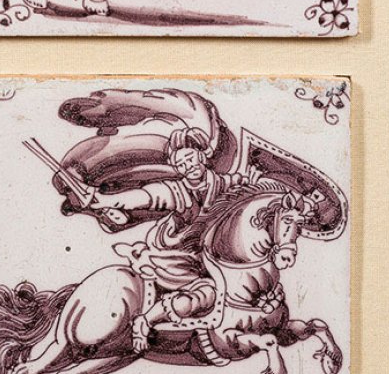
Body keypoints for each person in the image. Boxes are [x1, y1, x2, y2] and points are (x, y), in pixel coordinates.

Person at [81, 124, 257, 353]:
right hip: (180, 259)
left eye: (190, 159)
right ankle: (146, 320)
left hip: (216, 256)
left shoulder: (227, 184)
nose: (188, 167)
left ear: (203, 155)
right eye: (181, 164)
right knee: (206, 294)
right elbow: (146, 196)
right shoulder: (177, 191)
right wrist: (105, 201)